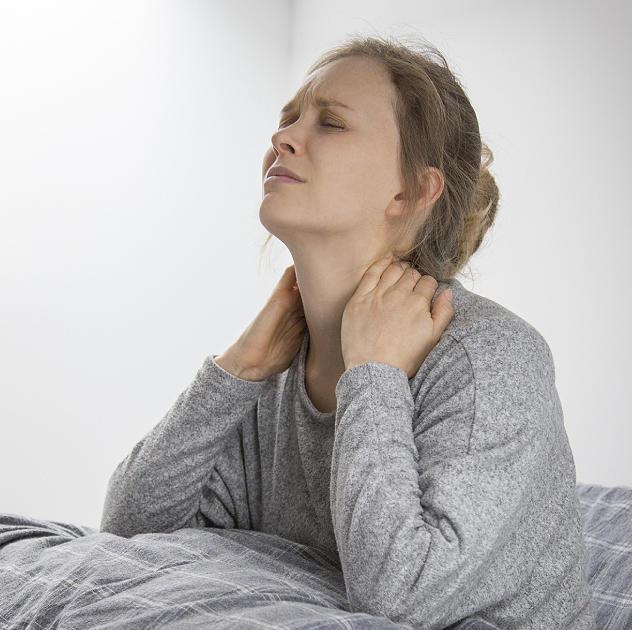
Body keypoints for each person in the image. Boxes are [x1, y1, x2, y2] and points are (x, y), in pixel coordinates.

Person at [100, 36, 595, 630]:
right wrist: (235, 372)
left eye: (331, 123)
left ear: (411, 190)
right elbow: (130, 530)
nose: (283, 137)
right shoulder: (279, 371)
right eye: (289, 118)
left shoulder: (490, 356)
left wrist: (375, 378)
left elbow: (406, 596)